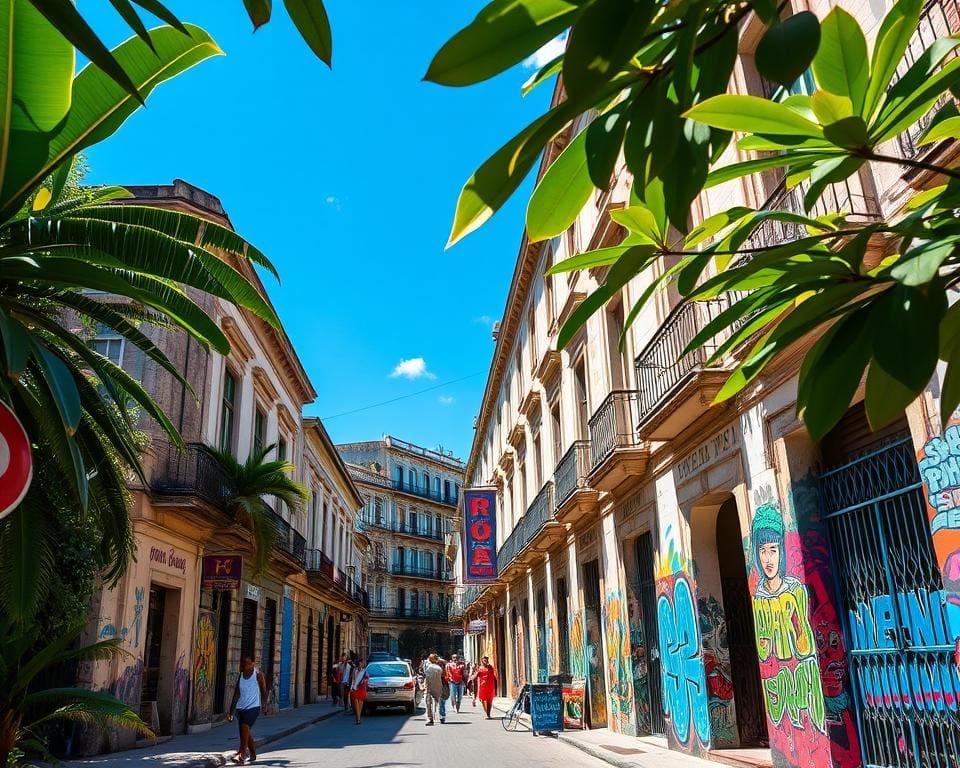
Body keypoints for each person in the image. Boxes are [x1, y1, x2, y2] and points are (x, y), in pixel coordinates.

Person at [227, 656, 269, 765]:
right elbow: (236, 694)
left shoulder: (258, 675)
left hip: (253, 707)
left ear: (253, 664)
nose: (245, 666)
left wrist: (265, 706)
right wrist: (231, 712)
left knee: (245, 727)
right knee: (245, 732)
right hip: (241, 708)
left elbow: (264, 691)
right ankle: (253, 752)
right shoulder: (241, 676)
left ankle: (241, 753)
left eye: (248, 663)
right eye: (244, 664)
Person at [422, 652, 447, 725]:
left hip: (439, 686)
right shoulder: (426, 664)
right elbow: (424, 674)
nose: (430, 659)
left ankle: (442, 716)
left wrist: (441, 661)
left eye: (432, 658)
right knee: (428, 703)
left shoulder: (440, 665)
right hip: (428, 686)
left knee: (440, 703)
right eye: (430, 658)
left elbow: (445, 673)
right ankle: (430, 719)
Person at [350, 657, 370, 725]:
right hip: (355, 688)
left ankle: (359, 716)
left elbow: (367, 678)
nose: (360, 665)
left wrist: (365, 681)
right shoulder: (354, 671)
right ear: (357, 664)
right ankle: (358, 719)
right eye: (359, 664)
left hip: (362, 688)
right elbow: (352, 680)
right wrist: (351, 687)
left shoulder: (364, 671)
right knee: (356, 702)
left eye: (361, 664)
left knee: (361, 703)